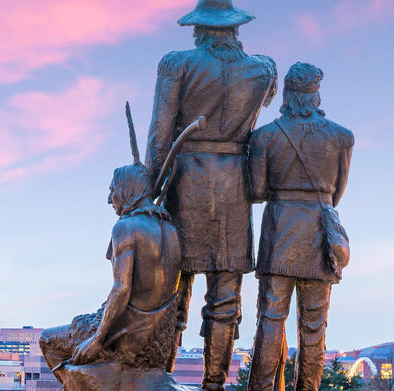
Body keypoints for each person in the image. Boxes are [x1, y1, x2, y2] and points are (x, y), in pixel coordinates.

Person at [144, 1, 277, 388]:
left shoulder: (176, 64)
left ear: (199, 28)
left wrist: (148, 193)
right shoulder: (264, 68)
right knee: (225, 296)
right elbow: (265, 103)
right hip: (235, 184)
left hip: (186, 182)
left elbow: (160, 132)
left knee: (173, 289)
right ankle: (214, 383)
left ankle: (162, 377)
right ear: (235, 28)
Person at [246, 62, 353, 391]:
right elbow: (336, 195)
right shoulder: (342, 138)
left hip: (279, 234)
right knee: (314, 327)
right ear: (316, 95)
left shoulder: (264, 137)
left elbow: (256, 191)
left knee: (270, 321)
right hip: (319, 238)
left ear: (288, 95)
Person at [39, 161, 182, 372]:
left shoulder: (126, 227)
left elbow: (121, 288)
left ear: (127, 190)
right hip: (158, 343)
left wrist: (96, 340)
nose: (109, 199)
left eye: (113, 191)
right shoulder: (171, 231)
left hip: (126, 338)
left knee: (47, 339)